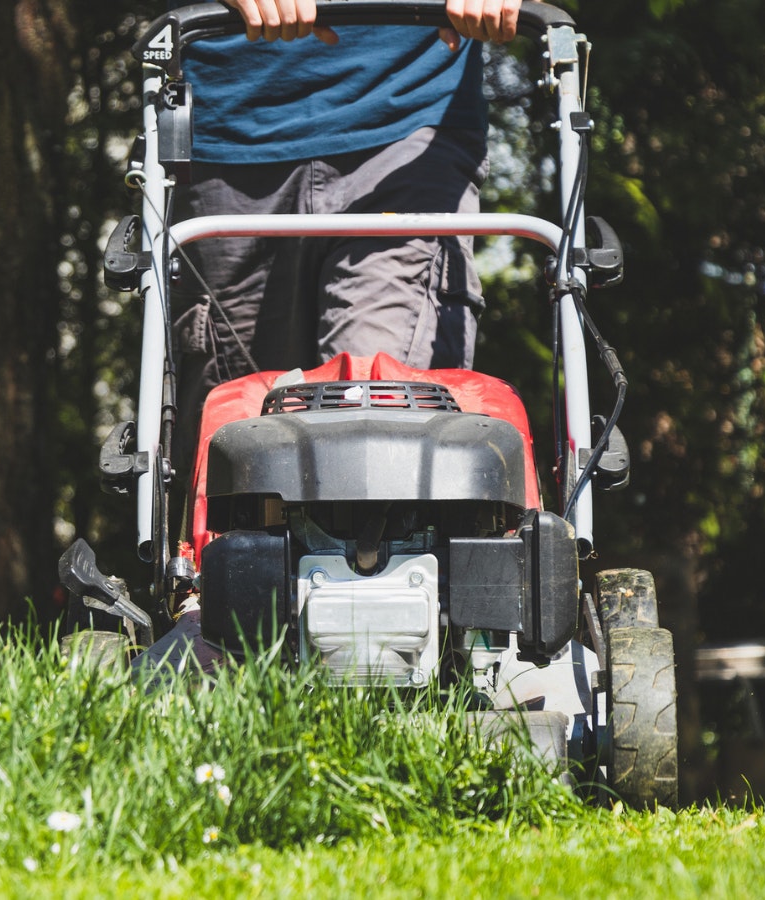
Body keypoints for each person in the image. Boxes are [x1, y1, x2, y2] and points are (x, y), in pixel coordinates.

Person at [136, 0, 524, 678]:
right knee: (241, 437)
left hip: (406, 117)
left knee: (377, 409)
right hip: (231, 128)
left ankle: (399, 666)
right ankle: (227, 644)